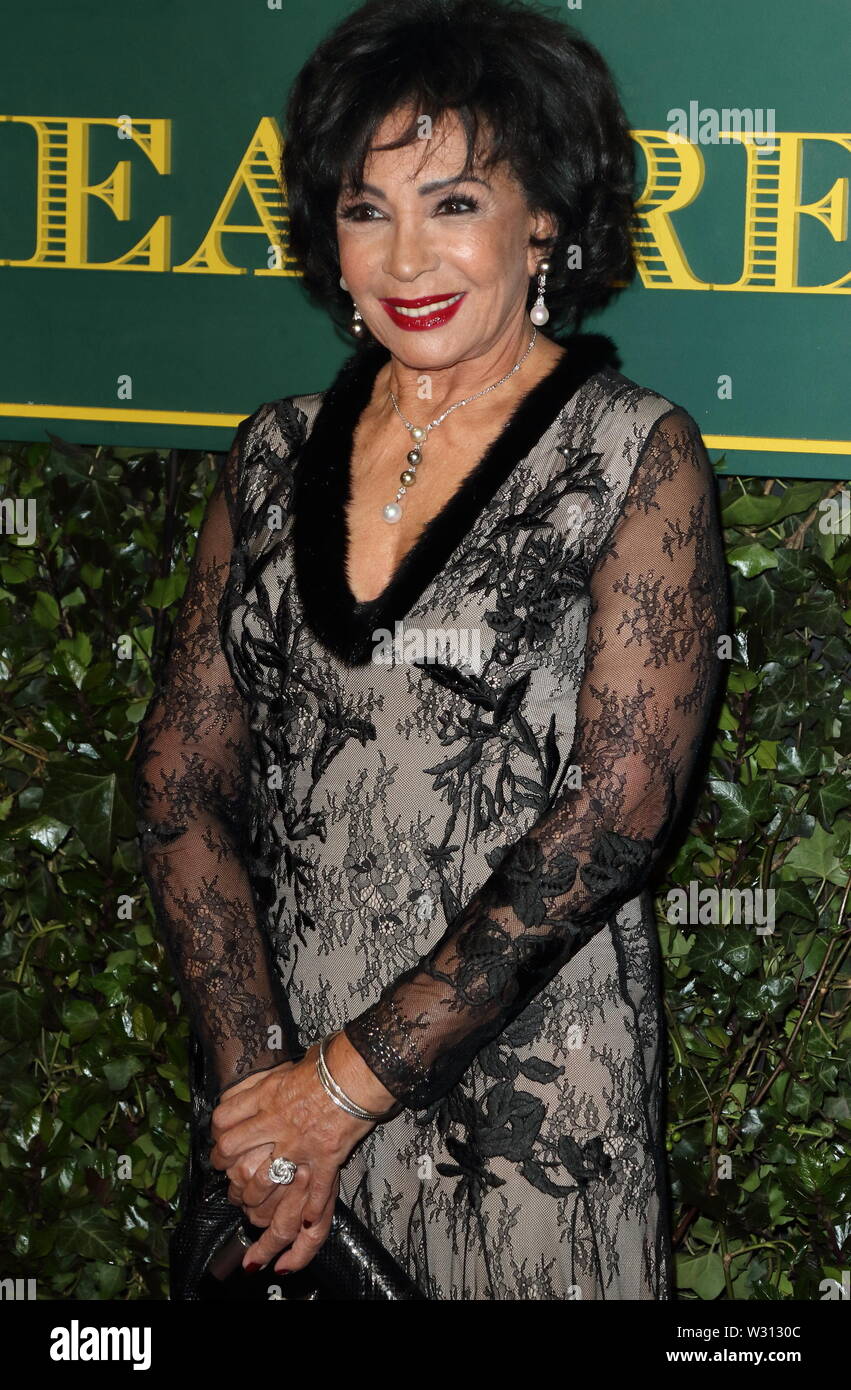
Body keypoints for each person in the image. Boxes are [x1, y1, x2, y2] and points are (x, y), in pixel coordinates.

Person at [135, 0, 729, 1300]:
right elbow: (181, 784)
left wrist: (341, 1091)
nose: (409, 253)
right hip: (281, 1118)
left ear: (545, 225)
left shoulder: (629, 454)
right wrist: (262, 1100)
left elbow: (619, 810)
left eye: (454, 202)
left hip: (527, 1124)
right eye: (366, 208)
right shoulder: (274, 454)